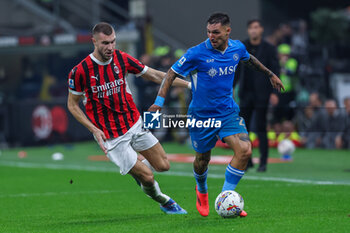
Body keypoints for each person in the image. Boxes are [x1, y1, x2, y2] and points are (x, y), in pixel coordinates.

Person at [148, 13, 284, 217]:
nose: (212, 36)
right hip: (201, 116)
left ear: (228, 31)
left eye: (216, 32)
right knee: (203, 159)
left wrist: (270, 74)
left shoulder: (237, 47)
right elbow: (170, 74)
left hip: (228, 112)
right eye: (209, 32)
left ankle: (225, 198)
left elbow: (249, 59)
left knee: (245, 150)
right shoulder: (196, 53)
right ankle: (201, 189)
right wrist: (158, 103)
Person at [67, 22, 191, 214]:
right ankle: (165, 201)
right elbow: (72, 104)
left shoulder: (121, 58)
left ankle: (137, 167)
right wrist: (93, 129)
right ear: (94, 42)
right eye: (105, 43)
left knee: (163, 166)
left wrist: (190, 86)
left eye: (113, 42)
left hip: (134, 123)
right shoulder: (80, 71)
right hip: (111, 137)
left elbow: (155, 75)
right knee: (148, 178)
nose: (110, 47)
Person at [234, 19, 280, 172]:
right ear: (248, 31)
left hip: (262, 93)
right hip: (245, 93)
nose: (253, 30)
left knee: (261, 127)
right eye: (251, 28)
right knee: (243, 128)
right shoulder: (242, 46)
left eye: (256, 27)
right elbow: (237, 70)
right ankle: (247, 160)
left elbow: (274, 70)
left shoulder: (269, 48)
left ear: (261, 30)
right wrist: (230, 88)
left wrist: (274, 92)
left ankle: (263, 162)